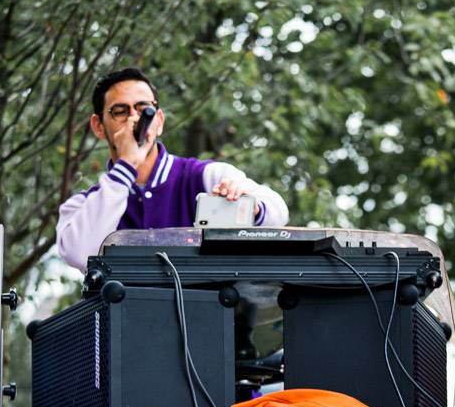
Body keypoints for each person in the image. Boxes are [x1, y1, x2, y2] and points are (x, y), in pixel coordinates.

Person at [55, 67, 290, 270]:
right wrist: (126, 167)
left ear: (159, 121)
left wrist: (251, 207)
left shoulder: (207, 176)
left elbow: (278, 213)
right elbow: (79, 254)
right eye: (120, 111)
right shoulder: (82, 205)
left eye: (143, 109)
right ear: (98, 126)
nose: (135, 120)